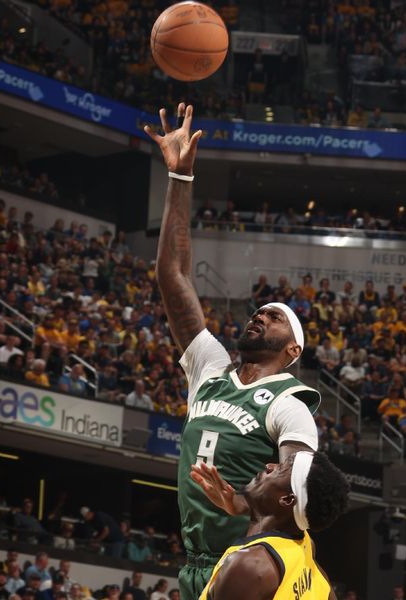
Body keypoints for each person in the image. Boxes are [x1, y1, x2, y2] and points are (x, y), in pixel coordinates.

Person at [145, 104, 321, 600]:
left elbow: (299, 492)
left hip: (253, 571)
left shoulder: (290, 403)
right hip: (197, 566)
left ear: (292, 350)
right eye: (259, 310)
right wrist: (180, 175)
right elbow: (173, 275)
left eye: (275, 315)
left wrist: (244, 507)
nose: (260, 314)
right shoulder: (211, 366)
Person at [191, 451, 349, 600]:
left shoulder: (250, 566)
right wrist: (239, 505)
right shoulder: (304, 545)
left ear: (287, 499)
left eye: (280, 469)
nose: (269, 466)